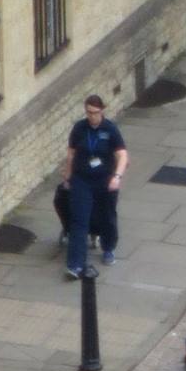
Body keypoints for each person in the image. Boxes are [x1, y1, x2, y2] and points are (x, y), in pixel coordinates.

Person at [63, 94, 127, 279]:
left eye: (95, 113)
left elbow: (122, 156)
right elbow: (71, 154)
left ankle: (108, 248)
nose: (92, 116)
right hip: (82, 179)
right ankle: (75, 264)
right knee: (79, 221)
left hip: (104, 180)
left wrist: (117, 177)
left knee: (107, 216)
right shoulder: (79, 129)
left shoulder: (110, 130)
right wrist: (68, 176)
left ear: (102, 111)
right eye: (89, 112)